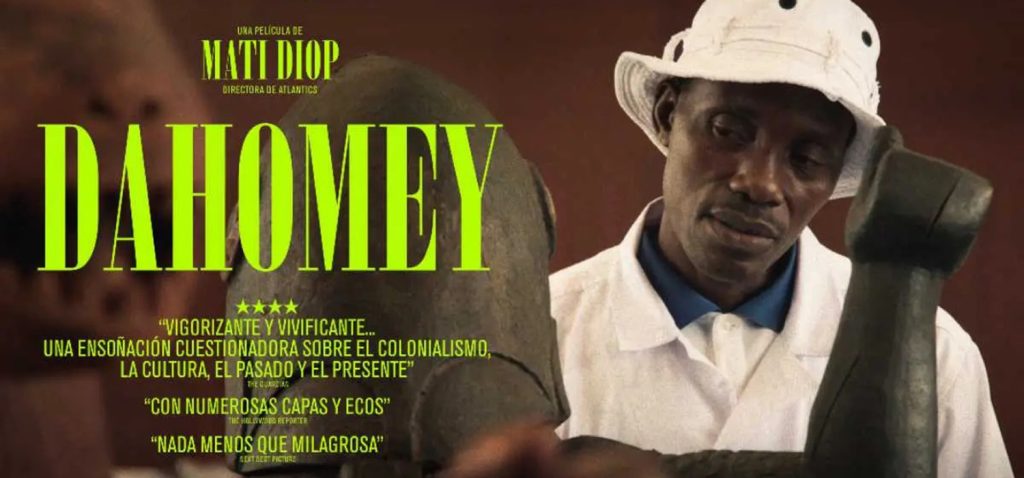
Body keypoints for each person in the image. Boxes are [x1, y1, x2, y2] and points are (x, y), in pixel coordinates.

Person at [446, 0, 1012, 477]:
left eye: (806, 158)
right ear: (668, 114)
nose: (760, 183)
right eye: (728, 131)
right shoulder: (534, 337)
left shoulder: (933, 357)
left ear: (837, 171)